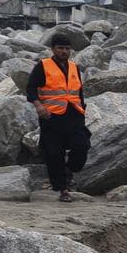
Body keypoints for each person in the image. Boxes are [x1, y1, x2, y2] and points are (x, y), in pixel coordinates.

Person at [26, 33, 89, 202]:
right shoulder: (43, 66)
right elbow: (31, 89)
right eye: (60, 48)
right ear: (53, 49)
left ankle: (70, 171)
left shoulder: (74, 67)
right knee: (54, 154)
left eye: (67, 49)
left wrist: (83, 109)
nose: (64, 51)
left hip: (74, 115)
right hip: (51, 117)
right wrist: (39, 106)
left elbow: (79, 92)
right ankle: (63, 189)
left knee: (82, 145)